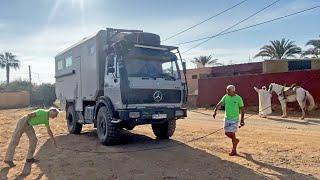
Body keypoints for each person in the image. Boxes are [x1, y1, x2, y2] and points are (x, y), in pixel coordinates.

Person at [213, 85, 245, 156]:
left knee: (232, 134)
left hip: (234, 119)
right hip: (227, 118)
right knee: (226, 133)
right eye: (226, 90)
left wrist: (242, 120)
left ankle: (234, 150)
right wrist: (215, 111)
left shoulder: (238, 98)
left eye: (228, 90)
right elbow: (219, 104)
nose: (227, 92)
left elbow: (242, 109)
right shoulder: (225, 97)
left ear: (233, 91)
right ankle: (235, 141)